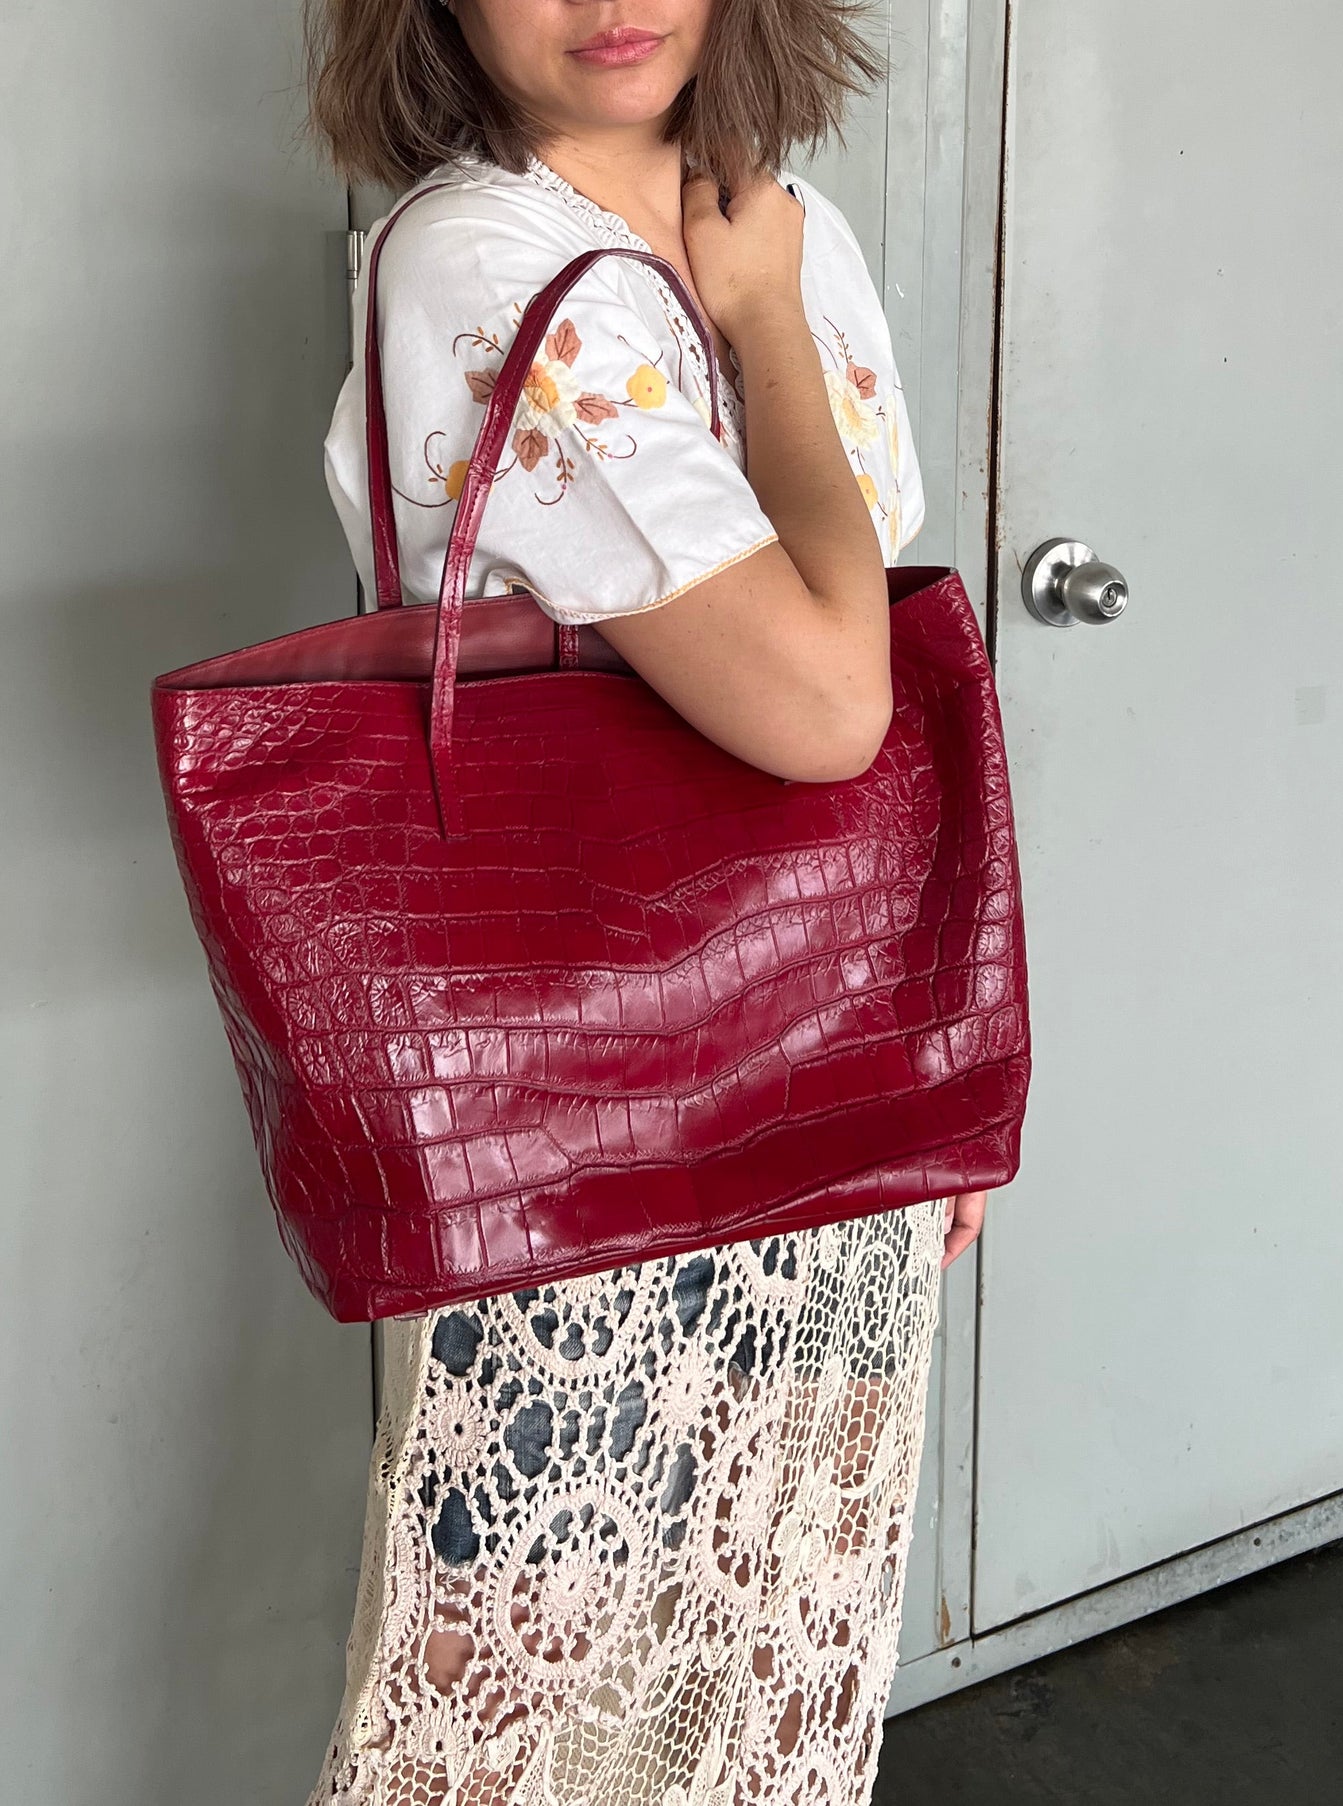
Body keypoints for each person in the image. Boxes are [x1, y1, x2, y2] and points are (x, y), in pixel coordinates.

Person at [305, 1, 989, 1798]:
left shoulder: (787, 216)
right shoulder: (480, 253)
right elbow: (830, 700)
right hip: (578, 1105)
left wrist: (952, 1059)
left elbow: (904, 674)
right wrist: (752, 315)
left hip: (828, 1053)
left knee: (773, 1646)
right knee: (531, 1701)